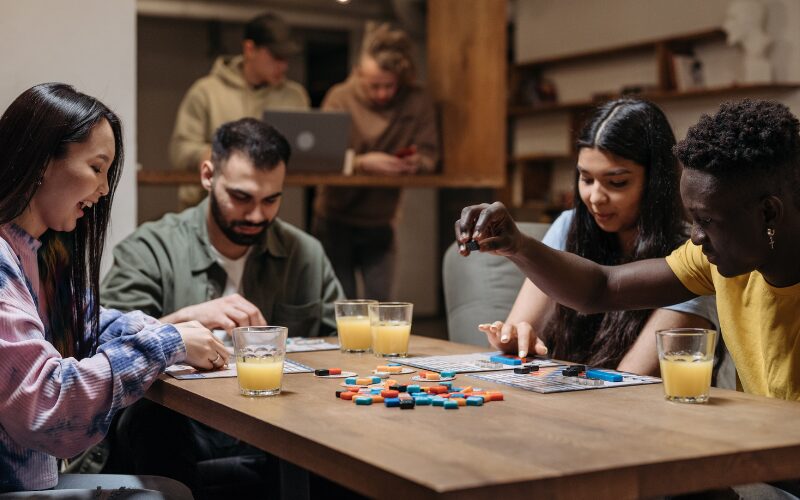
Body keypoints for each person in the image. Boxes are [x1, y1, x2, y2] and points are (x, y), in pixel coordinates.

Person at [456, 98, 800, 405]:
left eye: (707, 220)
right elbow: (601, 288)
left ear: (769, 213)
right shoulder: (713, 261)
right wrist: (519, 245)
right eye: (585, 178)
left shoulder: (724, 257)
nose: (695, 237)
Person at [101, 117, 344, 497]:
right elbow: (101, 348)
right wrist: (184, 321)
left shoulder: (304, 253)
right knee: (151, 420)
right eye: (242, 197)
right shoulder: (150, 248)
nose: (257, 216)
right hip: (183, 423)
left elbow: (342, 345)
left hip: (278, 422)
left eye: (271, 200)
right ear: (207, 176)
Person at [0, 82, 223, 495]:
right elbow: (47, 404)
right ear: (42, 160)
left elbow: (86, 325)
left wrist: (166, 332)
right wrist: (166, 343)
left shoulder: (37, 251)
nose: (103, 191)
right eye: (96, 168)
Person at [479, 99, 716, 376]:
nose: (595, 198)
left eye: (617, 182)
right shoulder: (568, 225)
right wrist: (513, 339)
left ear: (655, 181)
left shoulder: (694, 252)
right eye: (586, 179)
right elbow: (518, 333)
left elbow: (631, 381)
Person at [312, 23, 439, 300]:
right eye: (374, 86)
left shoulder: (417, 101)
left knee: (382, 308)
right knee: (338, 307)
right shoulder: (340, 97)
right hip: (335, 217)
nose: (382, 93)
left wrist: (415, 163)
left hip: (381, 220)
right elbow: (321, 157)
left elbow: (431, 154)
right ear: (359, 75)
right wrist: (361, 163)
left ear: (401, 78)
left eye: (389, 86)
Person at [169, 12, 310, 209]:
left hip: (266, 212)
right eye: (276, 56)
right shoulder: (206, 91)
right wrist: (212, 154)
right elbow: (180, 151)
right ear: (250, 49)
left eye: (286, 58)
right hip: (207, 209)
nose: (283, 65)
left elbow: (306, 152)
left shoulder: (295, 96)